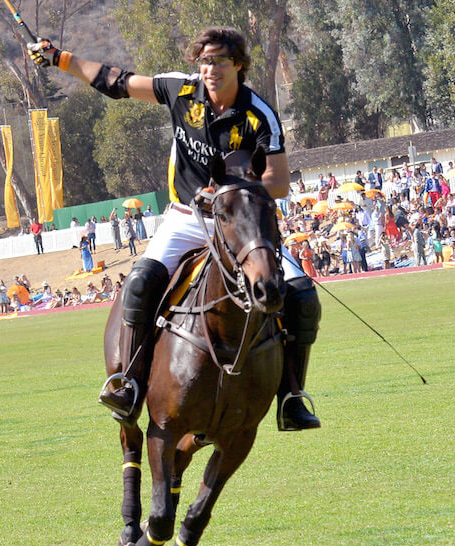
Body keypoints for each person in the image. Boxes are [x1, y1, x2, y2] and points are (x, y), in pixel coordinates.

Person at [30, 25, 320, 431]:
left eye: (219, 60)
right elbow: (117, 81)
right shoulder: (179, 90)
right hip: (186, 218)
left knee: (303, 294)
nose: (210, 69)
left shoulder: (259, 114)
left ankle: (291, 396)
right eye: (204, 61)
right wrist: (60, 59)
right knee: (140, 281)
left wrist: (228, 193)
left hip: (238, 224)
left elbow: (279, 181)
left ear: (238, 64)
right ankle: (127, 382)